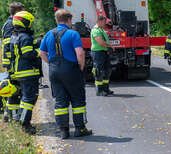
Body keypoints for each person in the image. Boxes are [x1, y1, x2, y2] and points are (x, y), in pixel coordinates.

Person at [40, 9, 92, 139]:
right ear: (69, 20)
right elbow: (80, 53)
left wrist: (51, 63)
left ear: (57, 20)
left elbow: (42, 53)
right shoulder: (73, 34)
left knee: (60, 101)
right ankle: (80, 128)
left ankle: (63, 131)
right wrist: (80, 67)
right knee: (77, 99)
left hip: (54, 71)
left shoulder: (48, 34)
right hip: (71, 69)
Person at [10, 11, 41, 134]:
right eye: (29, 22)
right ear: (24, 22)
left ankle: (23, 121)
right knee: (29, 99)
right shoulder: (25, 37)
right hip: (27, 71)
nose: (31, 25)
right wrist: (38, 51)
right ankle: (25, 125)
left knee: (25, 98)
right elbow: (28, 54)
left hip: (20, 71)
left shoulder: (15, 36)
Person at [1, 2, 24, 122]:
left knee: (15, 88)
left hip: (12, 62)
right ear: (17, 11)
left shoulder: (11, 23)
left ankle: (9, 114)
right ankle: (11, 115)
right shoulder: (11, 24)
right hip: (12, 63)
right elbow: (8, 45)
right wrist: (10, 64)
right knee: (15, 89)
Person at [90, 15, 113, 96]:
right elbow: (101, 42)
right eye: (103, 22)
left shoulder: (101, 29)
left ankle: (106, 89)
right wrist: (110, 46)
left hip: (103, 52)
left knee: (107, 70)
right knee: (99, 71)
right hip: (97, 52)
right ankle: (99, 90)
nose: (104, 24)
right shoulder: (95, 30)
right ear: (99, 21)